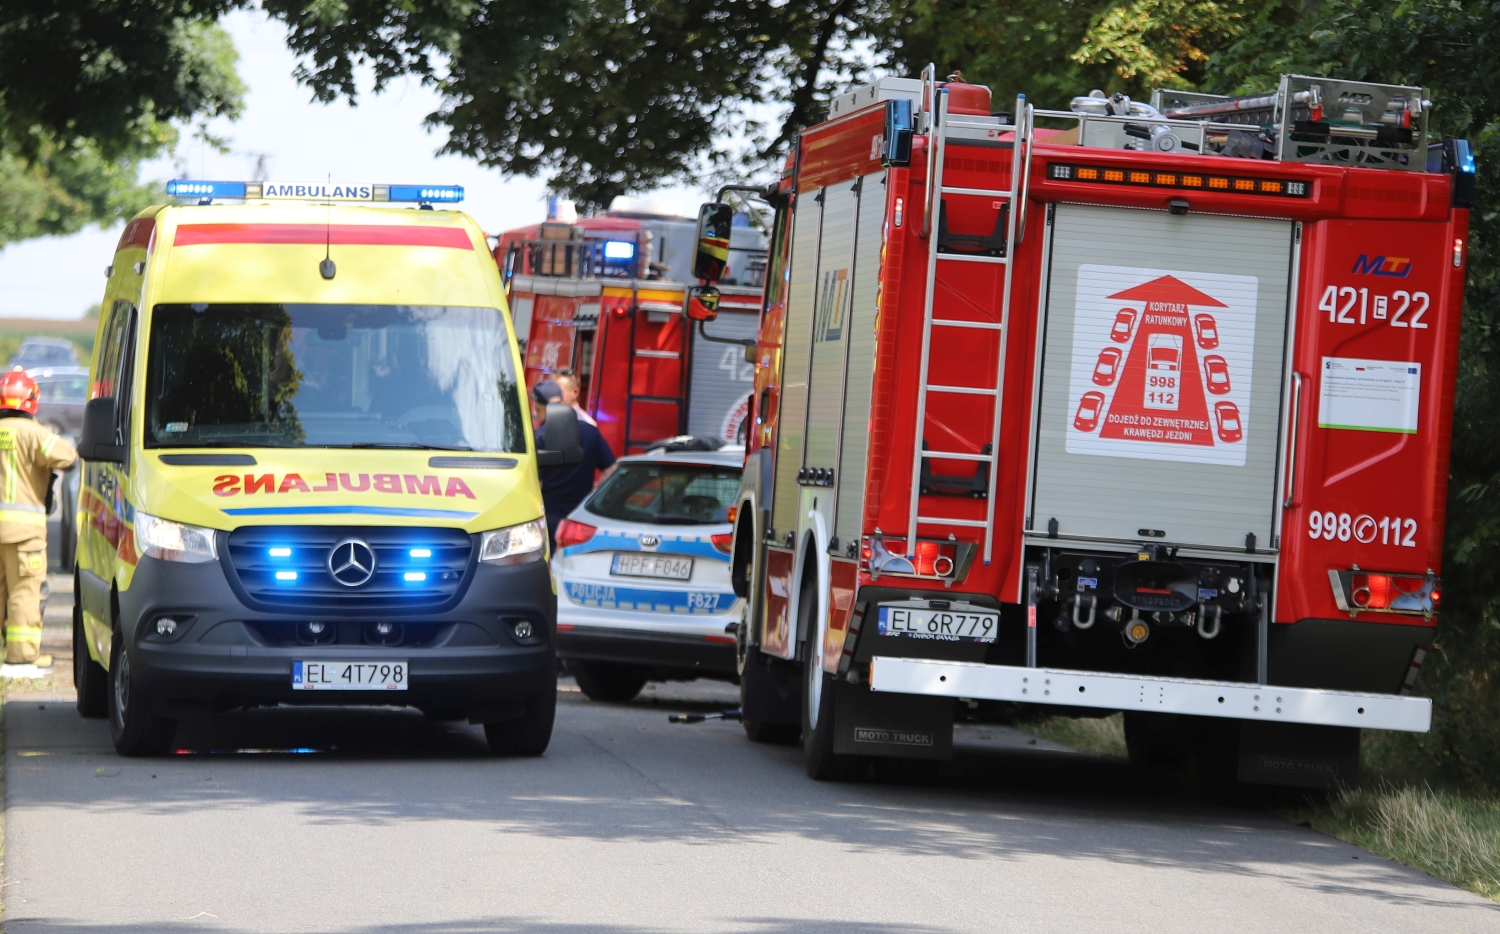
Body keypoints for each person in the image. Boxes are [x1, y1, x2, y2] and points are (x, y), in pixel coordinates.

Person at [0, 367, 77, 667]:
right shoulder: (35, 434)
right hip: (24, 533)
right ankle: (21, 655)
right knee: (24, 592)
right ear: (31, 400)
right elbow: (68, 458)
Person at [533, 379, 616, 539]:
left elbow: (537, 484)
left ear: (536, 405)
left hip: (548, 519)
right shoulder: (590, 432)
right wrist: (594, 496)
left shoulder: (537, 438)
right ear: (562, 401)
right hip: (580, 520)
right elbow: (611, 469)